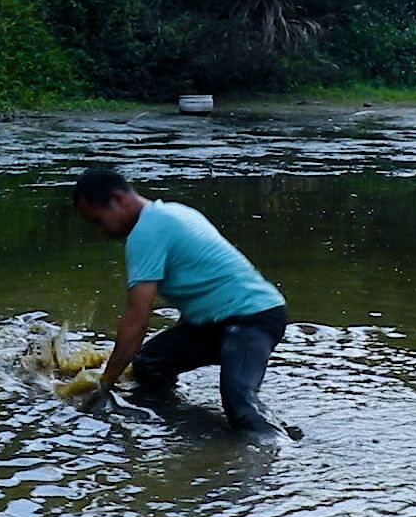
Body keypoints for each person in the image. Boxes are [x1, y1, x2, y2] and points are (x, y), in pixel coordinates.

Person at [72, 167, 293, 439]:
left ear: (117, 199)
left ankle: (287, 452)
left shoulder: (146, 232)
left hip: (251, 318)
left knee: (240, 404)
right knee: (151, 363)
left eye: (98, 220)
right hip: (213, 322)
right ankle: (187, 427)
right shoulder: (173, 212)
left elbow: (137, 319)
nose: (100, 230)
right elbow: (204, 283)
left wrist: (105, 384)